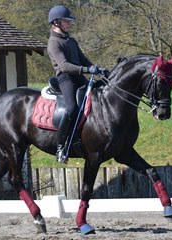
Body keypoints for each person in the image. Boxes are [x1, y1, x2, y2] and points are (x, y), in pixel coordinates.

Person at [47, 5, 101, 163]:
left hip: (78, 77)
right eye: (66, 21)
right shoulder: (53, 43)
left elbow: (83, 60)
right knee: (71, 109)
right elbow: (64, 66)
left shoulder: (71, 40)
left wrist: (97, 69)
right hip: (66, 79)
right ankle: (60, 145)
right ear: (56, 22)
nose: (69, 24)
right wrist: (86, 69)